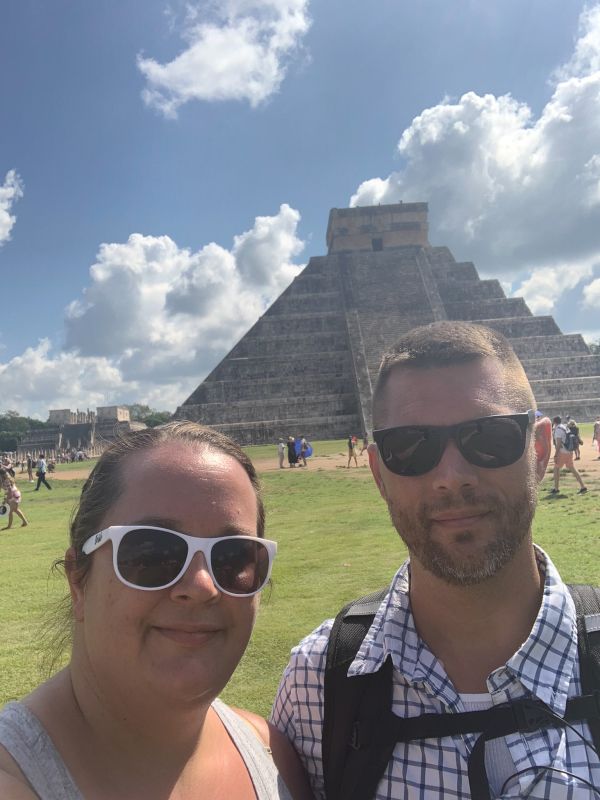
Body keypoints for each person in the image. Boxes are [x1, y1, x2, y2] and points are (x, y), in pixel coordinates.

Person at [271, 321, 600, 798]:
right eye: (410, 447)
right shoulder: (316, 686)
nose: (452, 476)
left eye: (490, 436)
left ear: (541, 449)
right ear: (380, 473)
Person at [0, 422, 312, 800]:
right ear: (78, 581)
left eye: (232, 557)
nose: (201, 587)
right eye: (152, 553)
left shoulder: (275, 755)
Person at [550, 415, 587, 495]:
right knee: (572, 469)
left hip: (562, 452)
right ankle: (583, 487)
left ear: (554, 422)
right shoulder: (564, 426)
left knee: (556, 469)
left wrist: (556, 454)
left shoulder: (558, 429)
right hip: (569, 451)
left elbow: (559, 443)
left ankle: (556, 489)